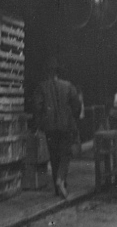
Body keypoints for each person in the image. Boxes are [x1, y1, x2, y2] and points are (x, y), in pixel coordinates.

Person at [31, 61, 83, 200]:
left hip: (50, 128)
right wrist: (73, 118)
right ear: (58, 74)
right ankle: (61, 179)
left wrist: (40, 123)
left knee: (54, 156)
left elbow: (37, 107)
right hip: (66, 126)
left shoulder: (41, 87)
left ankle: (57, 188)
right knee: (65, 154)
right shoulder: (68, 86)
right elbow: (77, 105)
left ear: (47, 73)